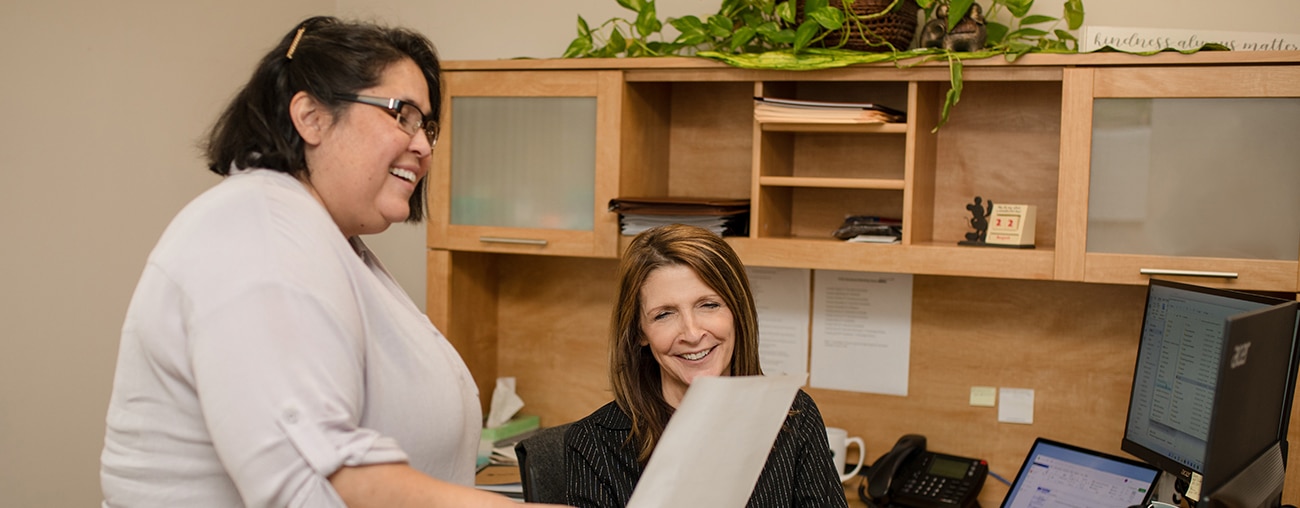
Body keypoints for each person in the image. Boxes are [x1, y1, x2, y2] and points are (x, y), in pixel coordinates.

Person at [99, 16, 562, 508]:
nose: (424, 145)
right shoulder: (258, 233)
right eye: (401, 114)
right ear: (312, 118)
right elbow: (311, 482)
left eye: (426, 125)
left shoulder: (327, 240)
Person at [563, 224, 848, 507]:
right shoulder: (593, 444)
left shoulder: (792, 415)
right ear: (639, 333)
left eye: (709, 305)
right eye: (664, 314)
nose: (692, 333)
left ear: (737, 311)